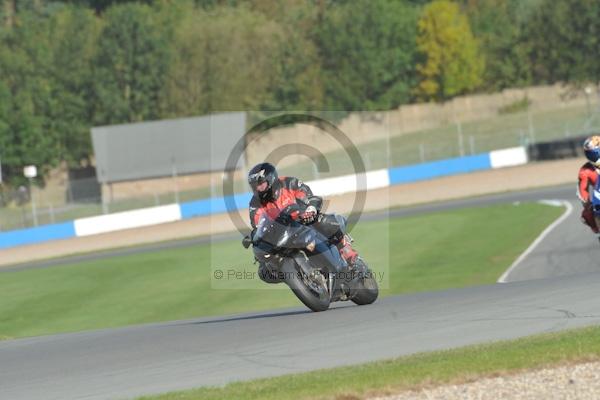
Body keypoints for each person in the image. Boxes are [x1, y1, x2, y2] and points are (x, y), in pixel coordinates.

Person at [247, 162, 358, 283]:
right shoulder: (254, 204)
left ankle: (344, 248)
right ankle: (295, 277)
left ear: (271, 179)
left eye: (261, 185)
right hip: (281, 235)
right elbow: (258, 224)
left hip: (303, 220)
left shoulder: (288, 183)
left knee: (323, 221)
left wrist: (310, 208)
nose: (258, 189)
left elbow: (306, 193)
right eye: (255, 187)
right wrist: (257, 237)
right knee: (264, 269)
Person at [578, 135, 600, 235]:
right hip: (598, 195)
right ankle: (598, 232)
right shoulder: (585, 171)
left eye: (593, 153)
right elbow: (582, 189)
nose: (592, 156)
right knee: (586, 214)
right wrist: (587, 203)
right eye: (589, 153)